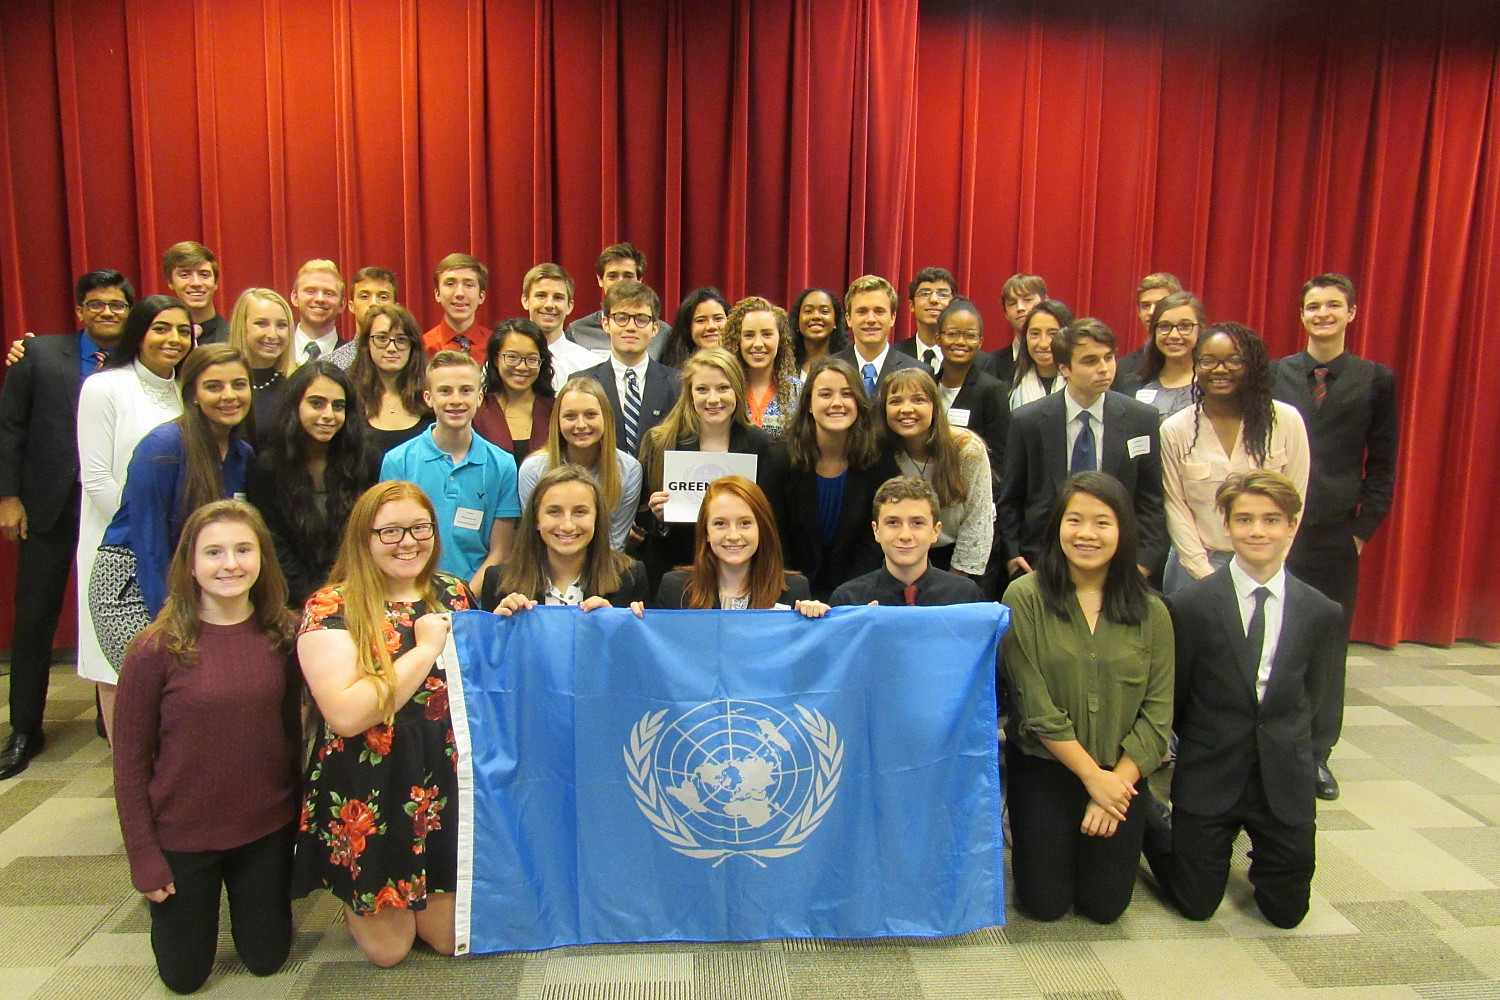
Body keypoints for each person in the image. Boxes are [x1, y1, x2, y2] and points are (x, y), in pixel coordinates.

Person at [112, 500, 300, 993]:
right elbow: (129, 765)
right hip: (184, 834)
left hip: (265, 827)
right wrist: (143, 855)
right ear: (190, 565)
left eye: (243, 550)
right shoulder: (154, 649)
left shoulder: (285, 633)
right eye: (214, 552)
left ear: (262, 559)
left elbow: (291, 736)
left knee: (267, 959)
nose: (230, 564)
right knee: (184, 977)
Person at [1143, 471, 1342, 928]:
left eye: (1271, 520)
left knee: (1286, 913)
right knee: (1195, 905)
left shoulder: (1320, 611)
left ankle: (1264, 848)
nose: (1258, 531)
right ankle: (1153, 819)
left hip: (1283, 773)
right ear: (1227, 526)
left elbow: (1322, 700)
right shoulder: (1191, 605)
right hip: (1212, 767)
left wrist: (1302, 756)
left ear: (1291, 525)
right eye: (1245, 519)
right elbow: (1179, 695)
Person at [294, 481, 473, 967]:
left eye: (419, 528)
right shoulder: (331, 607)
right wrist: (425, 649)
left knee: (447, 940)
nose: (407, 542)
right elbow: (348, 715)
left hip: (439, 780)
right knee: (391, 952)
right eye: (390, 531)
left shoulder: (454, 593)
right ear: (364, 538)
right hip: (369, 783)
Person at [1001, 471, 1173, 923]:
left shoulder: (1152, 611)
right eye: (1074, 520)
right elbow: (1034, 706)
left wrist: (1112, 786)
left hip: (1121, 773)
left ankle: (1145, 815)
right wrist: (1091, 778)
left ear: (1123, 531)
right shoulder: (1024, 597)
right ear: (1057, 526)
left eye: (1102, 522)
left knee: (1105, 907)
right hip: (1045, 767)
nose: (1086, 534)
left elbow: (1158, 717)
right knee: (1043, 905)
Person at [0, 270, 134, 778]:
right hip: (50, 507)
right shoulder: (37, 355)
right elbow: (10, 426)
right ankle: (24, 727)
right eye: (96, 304)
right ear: (80, 310)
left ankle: (109, 710)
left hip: (111, 508)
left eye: (117, 305)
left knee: (112, 610)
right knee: (35, 615)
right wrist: (8, 496)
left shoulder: (139, 360)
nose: (107, 313)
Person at [1271, 273, 1399, 801]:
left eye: (1332, 305)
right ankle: (1270, 746)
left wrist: (1361, 532)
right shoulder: (1276, 373)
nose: (1322, 314)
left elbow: (1384, 464)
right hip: (1275, 533)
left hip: (1333, 535)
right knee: (1272, 639)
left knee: (1326, 646)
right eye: (1313, 306)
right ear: (1301, 315)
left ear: (1351, 313)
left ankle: (1317, 753)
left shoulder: (1376, 379)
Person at [89, 346, 255, 683]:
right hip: (133, 582)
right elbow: (148, 541)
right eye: (214, 386)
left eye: (239, 384)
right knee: (160, 685)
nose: (229, 395)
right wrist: (171, 619)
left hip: (197, 583)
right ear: (192, 393)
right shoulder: (162, 445)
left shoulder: (243, 455)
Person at [75, 295, 192, 734]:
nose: (173, 339)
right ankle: (125, 767)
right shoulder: (104, 387)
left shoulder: (187, 389)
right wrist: (144, 537)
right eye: (161, 328)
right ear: (139, 332)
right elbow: (97, 479)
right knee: (119, 668)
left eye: (183, 330)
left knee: (169, 667)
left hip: (176, 549)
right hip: (117, 546)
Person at [998, 318, 1167, 579]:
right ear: (1064, 368)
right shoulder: (1028, 421)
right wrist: (1013, 553)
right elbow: (1011, 497)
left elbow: (1151, 500)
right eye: (1090, 361)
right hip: (1042, 559)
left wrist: (1143, 562)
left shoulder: (1141, 419)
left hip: (1119, 562)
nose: (1104, 369)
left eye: (1108, 358)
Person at [1161, 322, 1308, 593]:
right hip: (1194, 566)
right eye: (1208, 361)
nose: (1220, 369)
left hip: (1265, 561)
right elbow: (1175, 506)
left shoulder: (1286, 421)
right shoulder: (1175, 429)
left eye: (1234, 361)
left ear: (1252, 365)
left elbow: (1295, 498)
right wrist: (1205, 574)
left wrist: (1270, 558)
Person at [638, 348, 780, 589]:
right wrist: (660, 518)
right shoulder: (660, 442)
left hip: (743, 576)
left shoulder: (762, 446)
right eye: (702, 389)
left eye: (723, 388)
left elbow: (772, 518)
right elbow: (641, 519)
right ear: (689, 393)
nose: (713, 399)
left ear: (738, 390)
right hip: (675, 572)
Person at [379, 351, 520, 588]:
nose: (456, 400)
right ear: (428, 398)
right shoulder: (398, 461)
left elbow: (500, 551)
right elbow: (391, 542)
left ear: (479, 398)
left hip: (474, 595)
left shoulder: (502, 465)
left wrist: (464, 598)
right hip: (412, 591)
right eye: (445, 391)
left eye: (466, 390)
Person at [245, 361, 381, 607]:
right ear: (295, 406)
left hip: (358, 592)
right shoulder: (267, 468)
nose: (328, 415)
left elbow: (370, 535)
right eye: (316, 403)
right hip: (289, 599)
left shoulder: (367, 461)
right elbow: (273, 545)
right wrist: (317, 600)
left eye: (338, 406)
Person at [776, 357, 897, 599]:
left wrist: (849, 596)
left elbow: (873, 541)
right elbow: (776, 535)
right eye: (825, 394)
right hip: (789, 587)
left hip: (858, 589)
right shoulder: (780, 457)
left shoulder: (879, 459)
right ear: (809, 405)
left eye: (847, 394)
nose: (837, 403)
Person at [482, 464, 649, 613]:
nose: (567, 526)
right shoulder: (498, 580)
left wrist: (619, 627)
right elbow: (487, 639)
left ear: (597, 518)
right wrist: (499, 627)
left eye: (580, 512)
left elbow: (640, 638)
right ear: (536, 520)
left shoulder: (630, 577)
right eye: (554, 512)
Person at [876, 368, 994, 579]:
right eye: (895, 401)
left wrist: (953, 582)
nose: (906, 409)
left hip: (955, 560)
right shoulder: (879, 449)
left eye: (918, 400)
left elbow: (977, 522)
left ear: (935, 406)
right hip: (897, 558)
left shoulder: (966, 450)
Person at [656, 475, 825, 613]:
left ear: (762, 528)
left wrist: (817, 619)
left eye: (745, 523)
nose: (733, 536)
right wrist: (640, 619)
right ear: (706, 531)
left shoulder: (794, 589)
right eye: (720, 524)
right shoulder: (674, 588)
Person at [516, 376, 642, 551]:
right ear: (557, 421)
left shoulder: (629, 470)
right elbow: (535, 537)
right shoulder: (533, 469)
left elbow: (615, 543)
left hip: (604, 563)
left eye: (590, 415)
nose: (581, 424)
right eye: (570, 416)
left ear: (606, 417)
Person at [830, 476, 985, 606]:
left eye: (917, 523)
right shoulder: (849, 599)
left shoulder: (965, 595)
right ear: (876, 531)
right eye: (893, 523)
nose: (905, 535)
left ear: (935, 531)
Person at [574, 279, 681, 456]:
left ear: (655, 328)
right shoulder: (582, 383)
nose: (631, 327)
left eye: (641, 319)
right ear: (606, 324)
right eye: (621, 318)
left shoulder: (678, 384)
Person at [930, 297, 1009, 464]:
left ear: (980, 342)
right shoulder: (928, 385)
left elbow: (1000, 456)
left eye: (970, 336)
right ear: (938, 338)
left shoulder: (992, 390)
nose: (960, 342)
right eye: (952, 334)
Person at [351, 303, 433, 455]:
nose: (391, 348)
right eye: (382, 338)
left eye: (401, 340)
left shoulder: (431, 397)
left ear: (413, 346)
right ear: (366, 343)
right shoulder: (350, 397)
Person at [472, 318, 556, 465]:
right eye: (512, 357)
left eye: (532, 359)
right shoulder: (477, 411)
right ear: (496, 359)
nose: (522, 367)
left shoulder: (555, 410)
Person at [567, 242, 671, 359]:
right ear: (600, 280)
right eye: (612, 276)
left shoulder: (663, 334)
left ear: (639, 280)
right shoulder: (577, 332)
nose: (620, 282)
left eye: (628, 276)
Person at [831, 275, 930, 394]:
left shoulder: (919, 371)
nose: (871, 319)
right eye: (862, 311)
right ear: (849, 319)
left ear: (892, 318)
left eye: (879, 311)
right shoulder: (828, 369)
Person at [721, 295, 801, 438]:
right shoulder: (723, 388)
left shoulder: (798, 391)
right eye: (749, 335)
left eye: (767, 334)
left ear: (780, 338)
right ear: (737, 340)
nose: (758, 343)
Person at [225, 287, 297, 442]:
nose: (272, 334)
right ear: (242, 326)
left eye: (281, 325)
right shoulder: (221, 383)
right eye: (261, 323)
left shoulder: (299, 384)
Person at [1116, 290, 1202, 418]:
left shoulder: (1213, 384)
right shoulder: (1132, 383)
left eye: (1184, 326)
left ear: (1199, 330)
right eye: (1164, 326)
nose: (1174, 335)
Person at [519, 262, 597, 387]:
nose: (549, 305)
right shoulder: (506, 361)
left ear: (569, 306)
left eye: (558, 297)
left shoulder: (591, 365)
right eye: (541, 295)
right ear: (525, 301)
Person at [980, 273, 1047, 385]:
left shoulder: (1066, 356)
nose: (1020, 308)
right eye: (1012, 303)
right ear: (1006, 313)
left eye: (1027, 300)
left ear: (1045, 302)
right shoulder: (992, 364)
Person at [421, 253, 489, 362]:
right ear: (437, 294)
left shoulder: (495, 346)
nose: (460, 293)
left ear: (481, 296)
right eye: (450, 284)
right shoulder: (423, 348)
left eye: (468, 285)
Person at [329, 265, 400, 369]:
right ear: (351, 306)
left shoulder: (411, 362)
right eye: (364, 297)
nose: (373, 303)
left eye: (383, 297)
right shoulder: (333, 366)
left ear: (395, 307)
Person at [1116, 272, 1184, 381]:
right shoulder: (1122, 369)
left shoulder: (1200, 363)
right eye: (1145, 306)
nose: (1151, 312)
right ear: (1138, 311)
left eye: (1160, 304)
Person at [1009, 300, 1073, 410]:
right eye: (1035, 334)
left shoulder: (1083, 385)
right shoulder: (1006, 379)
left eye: (1053, 334)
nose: (1043, 344)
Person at [163, 241, 227, 345]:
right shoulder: (160, 341)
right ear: (170, 282)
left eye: (204, 275)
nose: (196, 283)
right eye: (185, 275)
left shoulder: (237, 339)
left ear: (215, 282)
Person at [896, 266, 957, 370]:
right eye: (925, 294)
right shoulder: (894, 355)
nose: (934, 300)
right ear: (912, 305)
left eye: (943, 294)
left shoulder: (966, 357)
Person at [290, 260, 346, 366]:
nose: (320, 299)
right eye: (310, 291)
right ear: (295, 298)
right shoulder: (276, 352)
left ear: (342, 304)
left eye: (329, 293)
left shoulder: (356, 359)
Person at [661, 287, 730, 370]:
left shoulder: (742, 370)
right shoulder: (669, 374)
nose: (711, 326)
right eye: (701, 320)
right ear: (688, 327)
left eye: (718, 318)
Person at [789, 286, 850, 380]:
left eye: (824, 311)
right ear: (797, 320)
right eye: (808, 311)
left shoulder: (848, 364)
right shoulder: (785, 365)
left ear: (835, 321)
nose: (816, 316)